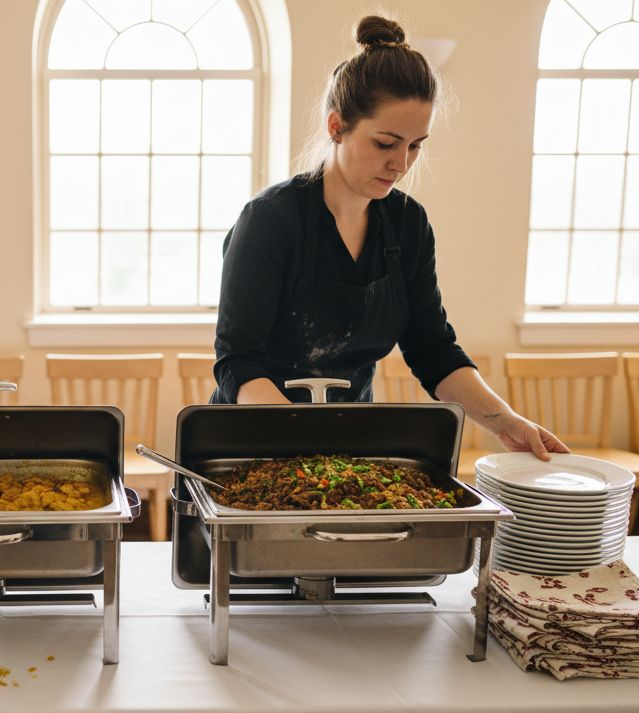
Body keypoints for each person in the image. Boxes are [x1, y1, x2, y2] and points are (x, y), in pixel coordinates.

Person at [212, 15, 567, 460]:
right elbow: (237, 361)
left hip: (348, 448)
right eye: (386, 143)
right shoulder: (270, 221)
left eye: (416, 145)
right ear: (336, 126)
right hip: (249, 447)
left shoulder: (407, 225)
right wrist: (298, 443)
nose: (401, 164)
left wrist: (504, 421)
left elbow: (432, 349)